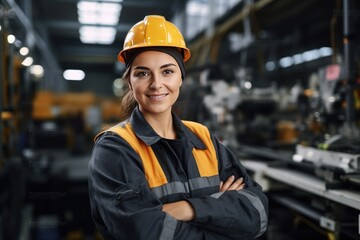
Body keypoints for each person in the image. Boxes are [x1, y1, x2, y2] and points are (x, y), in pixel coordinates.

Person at [88, 15, 268, 240]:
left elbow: (257, 213)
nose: (156, 84)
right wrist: (220, 208)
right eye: (142, 73)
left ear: (181, 78)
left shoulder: (202, 136)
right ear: (129, 81)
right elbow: (144, 233)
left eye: (167, 71)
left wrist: (186, 209)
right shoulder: (115, 148)